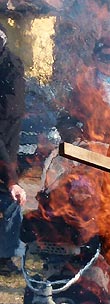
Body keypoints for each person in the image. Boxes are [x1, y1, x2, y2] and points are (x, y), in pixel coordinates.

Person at [0, 23, 26, 274]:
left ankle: (5, 256)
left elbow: (12, 113)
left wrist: (10, 179)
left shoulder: (12, 69)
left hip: (6, 141)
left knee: (9, 198)